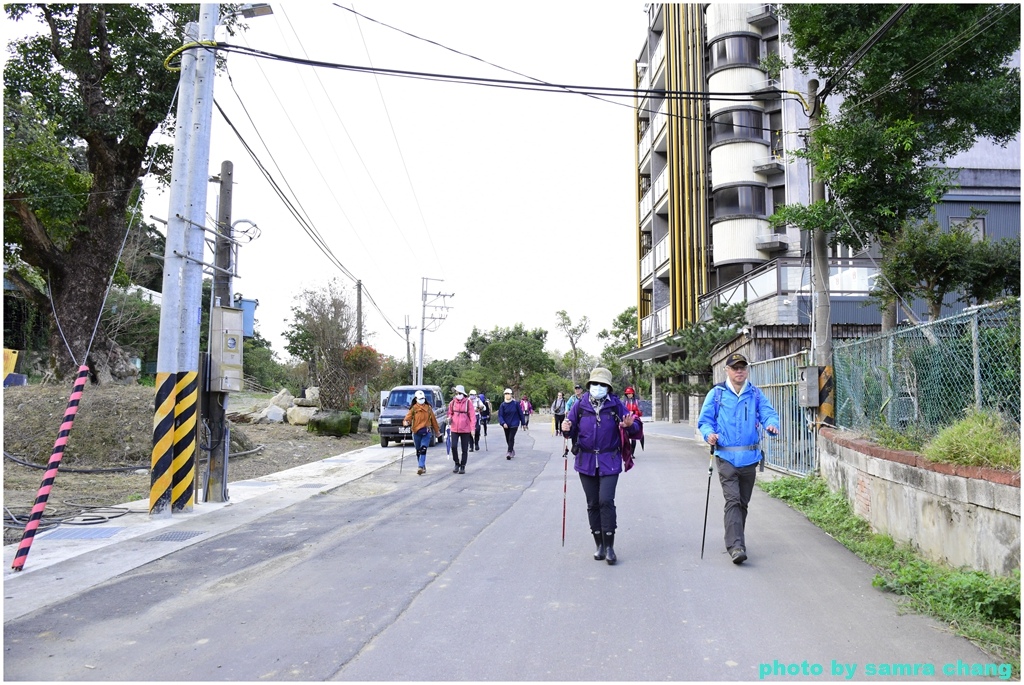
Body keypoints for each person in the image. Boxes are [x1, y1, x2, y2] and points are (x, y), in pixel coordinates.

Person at [697, 352, 780, 565]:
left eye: (743, 367)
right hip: (725, 456)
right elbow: (705, 421)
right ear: (727, 370)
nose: (739, 371)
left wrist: (772, 425)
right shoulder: (717, 394)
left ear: (747, 370)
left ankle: (736, 539)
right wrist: (709, 434)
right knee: (732, 501)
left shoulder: (755, 394)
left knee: (742, 503)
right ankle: (736, 546)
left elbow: (769, 413)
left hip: (749, 458)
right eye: (735, 368)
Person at [561, 368, 640, 565]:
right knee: (592, 503)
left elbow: (635, 427)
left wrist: (629, 425)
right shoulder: (580, 406)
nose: (598, 387)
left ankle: (610, 546)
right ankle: (599, 545)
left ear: (608, 387)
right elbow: (570, 430)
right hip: (585, 461)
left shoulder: (616, 405)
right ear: (589, 386)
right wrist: (566, 429)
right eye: (595, 384)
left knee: (606, 500)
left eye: (602, 385)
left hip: (609, 460)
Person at [402, 389, 440, 475]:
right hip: (416, 432)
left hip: (426, 432)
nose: (421, 400)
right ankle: (422, 466)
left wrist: (437, 431)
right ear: (416, 399)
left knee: (423, 449)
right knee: (418, 450)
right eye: (419, 398)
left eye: (422, 398)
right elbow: (408, 418)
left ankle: (420, 466)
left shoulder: (429, 408)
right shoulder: (413, 409)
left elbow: (433, 420)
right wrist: (406, 422)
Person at [448, 385, 476, 474]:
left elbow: (472, 416)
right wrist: (449, 418)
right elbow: (450, 413)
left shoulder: (468, 403)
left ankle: (463, 465)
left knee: (464, 449)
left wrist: (472, 429)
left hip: (465, 429)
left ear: (463, 394)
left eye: (460, 393)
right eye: (457, 393)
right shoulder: (452, 403)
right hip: (454, 428)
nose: (458, 394)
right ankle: (456, 463)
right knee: (453, 446)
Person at [497, 388, 526, 459]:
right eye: (506, 394)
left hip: (514, 423)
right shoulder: (502, 405)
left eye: (508, 394)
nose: (507, 395)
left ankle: (509, 451)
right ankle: (512, 449)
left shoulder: (516, 403)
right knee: (507, 438)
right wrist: (503, 423)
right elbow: (500, 415)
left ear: (511, 395)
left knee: (511, 437)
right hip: (506, 424)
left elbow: (520, 414)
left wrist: (523, 423)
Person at [623, 386, 642, 454]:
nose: (629, 395)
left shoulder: (637, 402)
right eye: (627, 394)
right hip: (627, 419)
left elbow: (640, 411)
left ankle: (632, 453)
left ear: (633, 394)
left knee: (634, 438)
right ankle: (627, 452)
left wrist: (635, 412)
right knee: (625, 437)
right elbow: (622, 411)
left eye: (630, 393)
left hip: (635, 419)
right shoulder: (624, 402)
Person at [564, 384, 583, 450]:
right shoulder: (572, 398)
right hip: (574, 417)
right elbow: (568, 404)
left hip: (582, 417)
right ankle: (575, 447)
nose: (577, 390)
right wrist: (566, 410)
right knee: (574, 431)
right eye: (576, 389)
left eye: (578, 389)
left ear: (581, 390)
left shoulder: (584, 398)